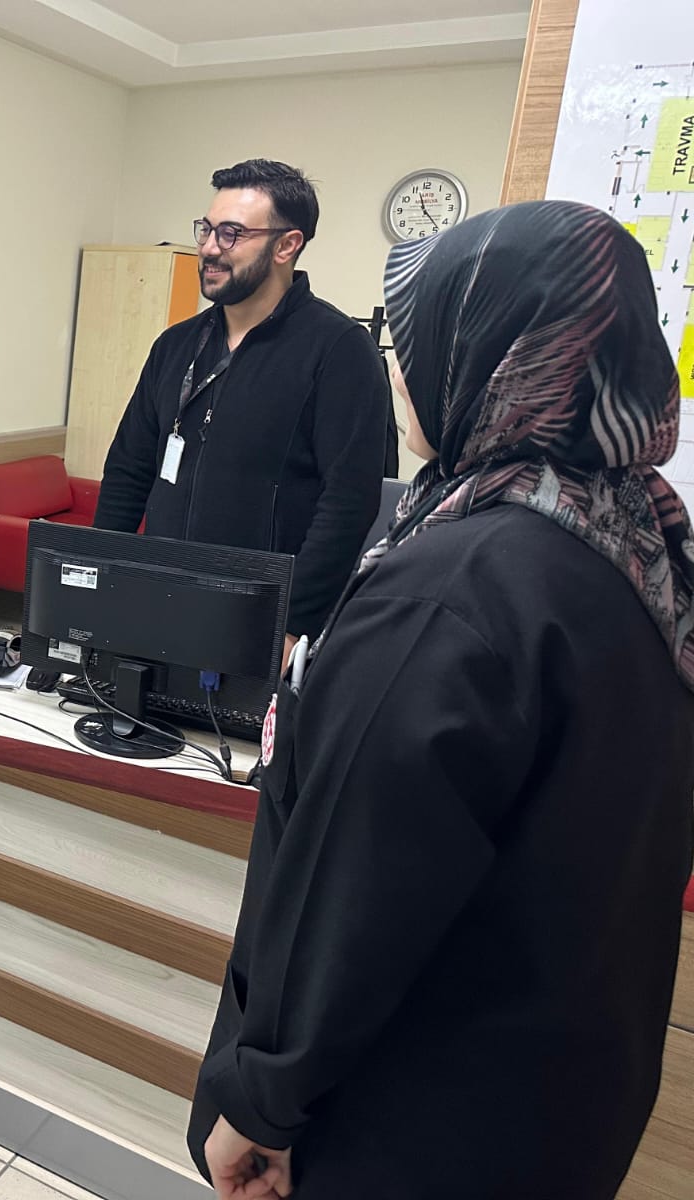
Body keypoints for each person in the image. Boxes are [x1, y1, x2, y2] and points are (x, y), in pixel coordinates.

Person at [187, 200, 694, 1199]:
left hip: (406, 1113)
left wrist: (262, 1099)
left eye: (416, 340)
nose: (397, 369)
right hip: (560, 1095)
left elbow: (354, 885)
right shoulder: (639, 546)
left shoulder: (454, 590)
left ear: (496, 353)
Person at [94, 160, 392, 653]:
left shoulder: (339, 349)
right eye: (207, 229)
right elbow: (129, 470)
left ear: (286, 245)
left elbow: (348, 502)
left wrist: (292, 624)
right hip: (160, 600)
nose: (210, 248)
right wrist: (99, 582)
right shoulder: (176, 346)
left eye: (231, 234)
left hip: (262, 618)